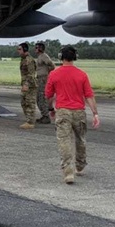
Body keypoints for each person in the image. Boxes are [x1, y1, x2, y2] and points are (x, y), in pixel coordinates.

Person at [44, 46, 100, 183]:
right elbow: (89, 96)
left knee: (64, 141)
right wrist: (95, 114)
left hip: (63, 112)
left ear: (60, 57)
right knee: (80, 139)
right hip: (79, 112)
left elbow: (49, 95)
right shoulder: (82, 74)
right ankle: (80, 165)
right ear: (75, 57)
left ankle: (68, 172)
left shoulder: (54, 74)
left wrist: (51, 109)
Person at [16, 42, 37, 129]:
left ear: (25, 49)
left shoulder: (29, 60)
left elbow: (31, 74)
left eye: (19, 49)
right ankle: (29, 119)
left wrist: (26, 84)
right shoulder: (23, 59)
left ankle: (30, 122)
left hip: (30, 86)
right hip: (25, 84)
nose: (18, 51)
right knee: (24, 103)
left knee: (29, 103)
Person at [34, 42, 55, 124]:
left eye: (36, 47)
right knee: (39, 98)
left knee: (42, 98)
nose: (35, 49)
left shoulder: (44, 56)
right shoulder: (40, 57)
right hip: (40, 78)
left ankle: (46, 116)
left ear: (40, 49)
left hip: (43, 79)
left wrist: (47, 73)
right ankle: (44, 115)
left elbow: (51, 65)